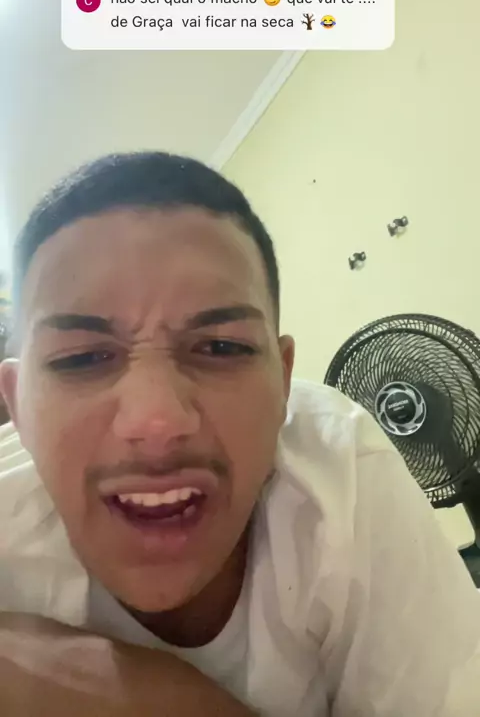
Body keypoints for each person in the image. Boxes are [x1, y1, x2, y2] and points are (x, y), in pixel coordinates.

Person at [0, 152, 478, 716]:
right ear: (17, 405)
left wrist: (155, 697)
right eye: (81, 358)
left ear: (283, 382)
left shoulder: (342, 475)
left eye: (221, 347)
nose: (157, 421)